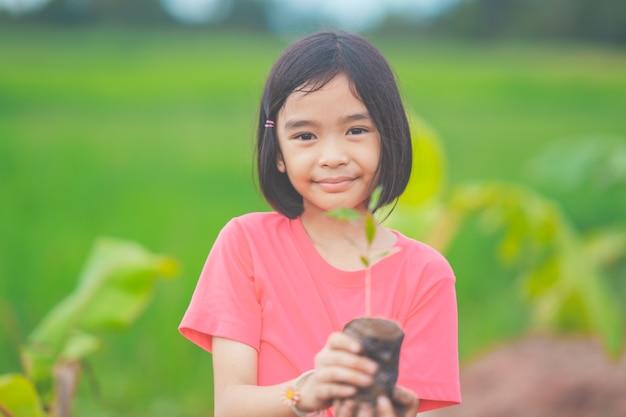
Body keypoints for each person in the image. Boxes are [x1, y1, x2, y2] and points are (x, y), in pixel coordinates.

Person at [179, 31, 460, 417]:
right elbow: (229, 405)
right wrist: (303, 393)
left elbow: (414, 404)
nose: (332, 156)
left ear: (389, 138)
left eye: (356, 131)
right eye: (305, 135)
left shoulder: (427, 275)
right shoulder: (245, 244)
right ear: (278, 152)